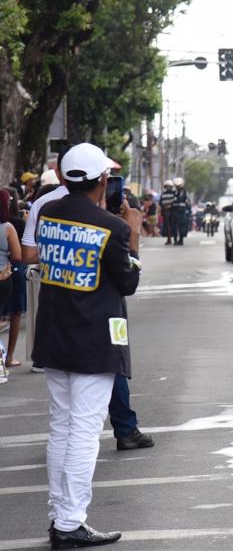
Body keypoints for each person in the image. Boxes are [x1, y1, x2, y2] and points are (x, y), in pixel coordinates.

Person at [32, 142, 141, 547]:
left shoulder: (47, 213)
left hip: (54, 335)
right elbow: (127, 281)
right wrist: (134, 234)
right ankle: (69, 522)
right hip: (94, 340)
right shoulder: (113, 227)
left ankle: (60, 517)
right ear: (104, 180)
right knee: (83, 431)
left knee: (61, 427)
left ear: (62, 177)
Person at [1, 190, 27, 368]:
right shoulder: (11, 225)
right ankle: (8, 357)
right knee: (15, 313)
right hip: (9, 273)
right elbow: (18, 255)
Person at [171, 177, 190, 245]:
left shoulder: (184, 192)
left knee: (181, 226)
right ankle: (176, 240)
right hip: (175, 212)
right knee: (175, 226)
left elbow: (187, 203)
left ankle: (180, 240)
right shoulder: (174, 192)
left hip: (181, 212)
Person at [159, 180, 175, 245]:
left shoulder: (174, 194)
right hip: (166, 212)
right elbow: (160, 203)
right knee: (168, 226)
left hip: (172, 211)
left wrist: (169, 206)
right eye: (167, 186)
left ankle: (173, 238)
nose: (168, 188)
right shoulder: (163, 194)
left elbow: (174, 202)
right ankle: (169, 239)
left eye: (169, 186)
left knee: (172, 225)